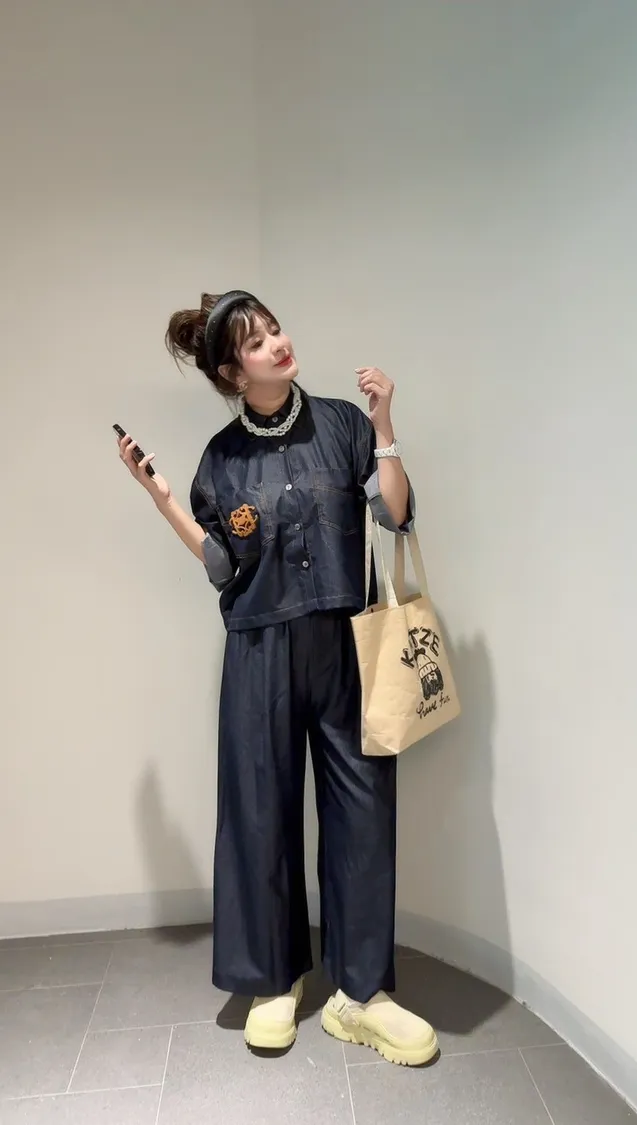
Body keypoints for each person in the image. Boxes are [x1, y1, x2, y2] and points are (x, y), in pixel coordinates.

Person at [116, 290, 438, 1066]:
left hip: (346, 643)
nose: (278, 343)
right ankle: (273, 980)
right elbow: (221, 564)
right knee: (260, 811)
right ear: (234, 372)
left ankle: (362, 995)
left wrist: (386, 425)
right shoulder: (222, 460)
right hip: (259, 651)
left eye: (275, 329)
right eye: (257, 341)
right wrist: (162, 498)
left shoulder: (344, 425)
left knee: (364, 814)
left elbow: (395, 513)